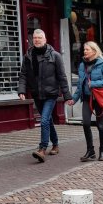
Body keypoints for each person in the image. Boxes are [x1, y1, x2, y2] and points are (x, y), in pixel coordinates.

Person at [17, 29, 73, 163]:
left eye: (39, 38)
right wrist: (21, 90)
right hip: (37, 94)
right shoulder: (28, 56)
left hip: (51, 94)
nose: (36, 40)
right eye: (35, 38)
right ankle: (55, 144)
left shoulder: (55, 56)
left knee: (43, 120)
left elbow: (62, 77)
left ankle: (42, 149)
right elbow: (23, 74)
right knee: (47, 120)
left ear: (45, 39)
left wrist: (67, 96)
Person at [73, 41, 103, 162]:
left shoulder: (102, 64)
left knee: (100, 125)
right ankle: (90, 151)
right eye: (84, 50)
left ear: (94, 51)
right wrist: (74, 99)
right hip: (86, 98)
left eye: (87, 50)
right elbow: (80, 85)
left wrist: (94, 84)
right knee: (85, 123)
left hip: (99, 98)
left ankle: (102, 151)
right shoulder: (82, 65)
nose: (85, 51)